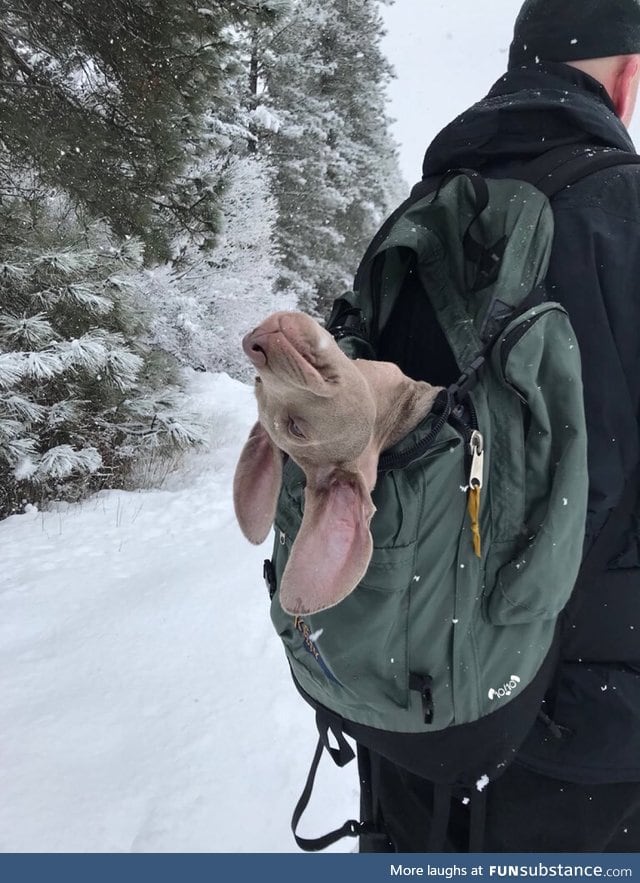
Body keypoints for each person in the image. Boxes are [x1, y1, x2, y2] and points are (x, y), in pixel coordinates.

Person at [359, 0, 640, 853]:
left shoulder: (422, 210)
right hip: (583, 734)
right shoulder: (623, 211)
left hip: (411, 705)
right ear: (625, 77)